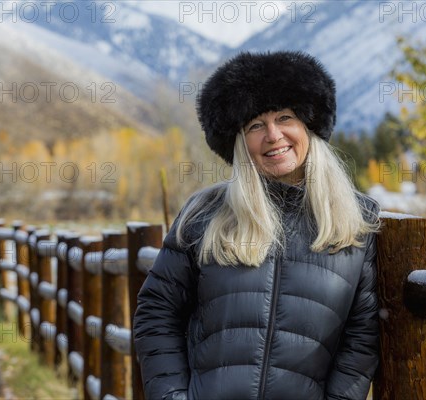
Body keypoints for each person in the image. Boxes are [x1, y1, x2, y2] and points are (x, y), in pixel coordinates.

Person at [133, 51, 381, 400]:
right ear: (239, 141)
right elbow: (157, 314)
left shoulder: (357, 220)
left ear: (308, 125)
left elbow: (362, 335)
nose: (273, 134)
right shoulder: (204, 214)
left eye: (285, 117)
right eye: (255, 125)